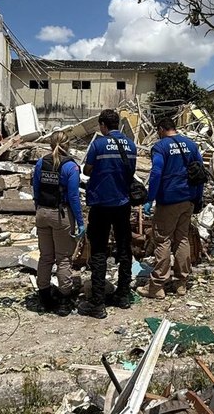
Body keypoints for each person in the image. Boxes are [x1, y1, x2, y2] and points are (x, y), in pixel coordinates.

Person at [79, 109, 137, 318]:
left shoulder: (98, 144)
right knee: (124, 248)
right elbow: (131, 171)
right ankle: (123, 295)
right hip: (123, 203)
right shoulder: (131, 145)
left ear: (103, 125)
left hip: (101, 203)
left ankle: (97, 303)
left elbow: (87, 170)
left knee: (99, 251)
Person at [138, 118, 204, 299]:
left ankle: (157, 286)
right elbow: (200, 173)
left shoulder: (160, 147)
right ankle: (181, 283)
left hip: (168, 200)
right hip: (188, 199)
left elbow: (156, 172)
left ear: (160, 129)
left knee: (163, 240)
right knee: (182, 238)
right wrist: (198, 197)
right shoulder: (191, 145)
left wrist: (150, 199)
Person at [32, 131, 85, 317]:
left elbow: (36, 189)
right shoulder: (70, 167)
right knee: (63, 258)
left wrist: (38, 208)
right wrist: (80, 222)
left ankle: (44, 295)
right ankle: (64, 299)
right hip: (60, 214)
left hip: (42, 213)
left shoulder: (41, 163)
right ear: (68, 145)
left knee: (46, 256)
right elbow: (73, 197)